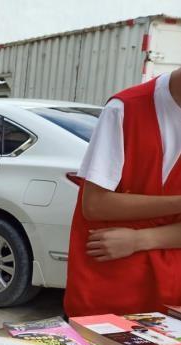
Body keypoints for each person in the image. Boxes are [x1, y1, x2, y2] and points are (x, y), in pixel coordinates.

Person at [64, 67, 181, 317]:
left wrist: (141, 239)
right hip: (107, 291)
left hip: (170, 298)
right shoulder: (125, 108)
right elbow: (94, 205)